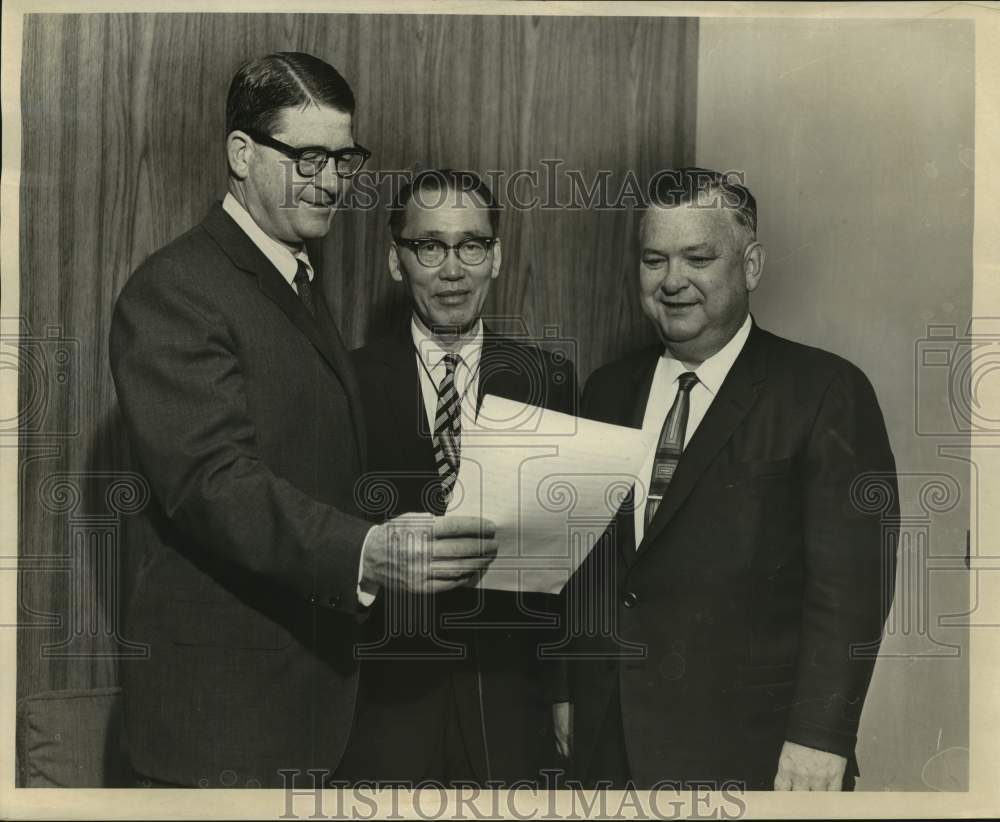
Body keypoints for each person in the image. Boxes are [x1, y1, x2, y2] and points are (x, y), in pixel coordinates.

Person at [109, 54, 496, 789]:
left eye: (343, 158)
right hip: (221, 724)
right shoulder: (175, 290)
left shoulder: (294, 277)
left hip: (305, 708)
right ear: (241, 153)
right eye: (307, 158)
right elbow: (212, 483)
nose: (330, 181)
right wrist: (368, 552)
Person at [562, 168, 899, 791]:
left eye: (698, 257)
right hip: (612, 745)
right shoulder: (606, 390)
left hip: (756, 751)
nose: (671, 281)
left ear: (750, 266)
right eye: (653, 258)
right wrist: (566, 691)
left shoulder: (825, 391)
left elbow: (852, 587)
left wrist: (821, 737)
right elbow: (589, 564)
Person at [346, 169, 577, 786]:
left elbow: (575, 565)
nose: (453, 270)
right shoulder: (344, 384)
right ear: (398, 262)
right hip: (383, 709)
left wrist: (563, 691)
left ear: (496, 258)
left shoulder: (549, 381)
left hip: (511, 708)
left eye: (471, 245)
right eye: (429, 246)